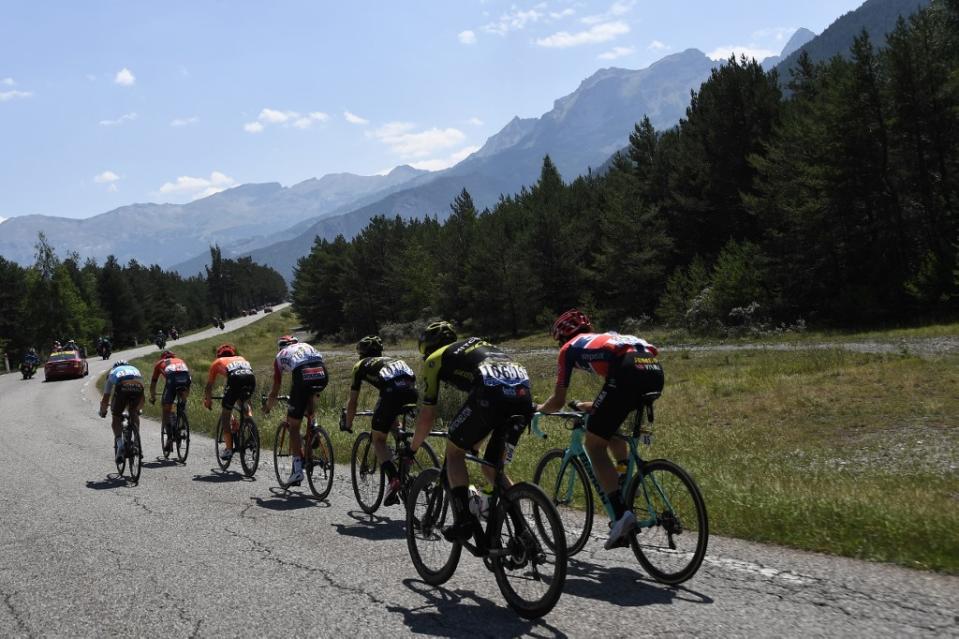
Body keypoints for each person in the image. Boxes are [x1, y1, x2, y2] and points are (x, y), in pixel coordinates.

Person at [535, 309, 664, 549]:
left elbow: (557, 401)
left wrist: (539, 409)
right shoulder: (606, 338)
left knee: (594, 446)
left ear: (563, 338)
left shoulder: (568, 349)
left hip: (627, 371)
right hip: (653, 368)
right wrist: (592, 406)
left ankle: (621, 515)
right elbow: (614, 392)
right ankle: (624, 480)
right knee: (608, 427)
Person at [409, 321, 533, 542]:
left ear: (428, 348)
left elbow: (427, 415)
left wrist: (413, 448)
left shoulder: (434, 359)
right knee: (492, 470)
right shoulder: (474, 346)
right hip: (523, 396)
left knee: (454, 452)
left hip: (490, 396)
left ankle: (464, 521)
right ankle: (524, 534)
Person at [343, 335, 418, 505]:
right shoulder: (392, 360)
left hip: (391, 394)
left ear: (361, 354)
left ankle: (393, 480)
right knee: (392, 420)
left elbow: (353, 401)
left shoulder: (360, 365)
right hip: (411, 392)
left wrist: (348, 423)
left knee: (378, 439)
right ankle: (406, 456)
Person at [264, 336, 328, 485]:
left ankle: (297, 471)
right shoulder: (305, 345)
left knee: (293, 426)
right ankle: (313, 427)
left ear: (280, 347)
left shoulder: (280, 356)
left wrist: (268, 407)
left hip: (302, 375)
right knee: (309, 395)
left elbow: (275, 388)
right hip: (322, 373)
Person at [203, 343, 256, 461]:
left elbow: (209, 386)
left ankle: (228, 449)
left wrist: (208, 400)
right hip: (250, 379)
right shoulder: (241, 358)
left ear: (218, 355)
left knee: (225, 415)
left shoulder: (217, 362)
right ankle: (251, 427)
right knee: (244, 404)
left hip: (235, 380)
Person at [99, 360, 145, 464]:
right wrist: (138, 409)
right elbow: (142, 396)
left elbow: (106, 397)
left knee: (116, 416)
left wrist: (103, 411)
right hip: (138, 388)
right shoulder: (135, 369)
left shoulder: (112, 372)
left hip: (122, 388)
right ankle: (137, 442)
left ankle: (120, 445)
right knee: (133, 412)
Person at [149, 350, 192, 453]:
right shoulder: (180, 360)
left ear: (162, 357)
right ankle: (182, 422)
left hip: (172, 378)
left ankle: (169, 438)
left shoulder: (160, 363)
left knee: (166, 408)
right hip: (186, 377)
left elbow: (153, 383)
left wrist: (153, 396)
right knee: (183, 401)